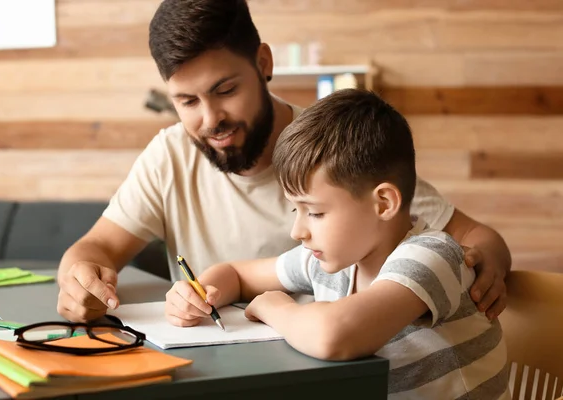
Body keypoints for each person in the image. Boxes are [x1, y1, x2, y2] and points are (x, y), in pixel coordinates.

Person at [56, 0, 510, 324]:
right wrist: (80, 282)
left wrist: (484, 262)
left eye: (226, 90)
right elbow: (94, 250)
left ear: (263, 62)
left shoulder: (331, 148)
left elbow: (477, 238)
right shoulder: (169, 154)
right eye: (187, 101)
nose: (211, 119)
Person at [164, 89, 511, 399]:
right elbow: (236, 274)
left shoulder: (431, 257)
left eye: (314, 212)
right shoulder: (329, 260)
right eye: (295, 210)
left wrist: (274, 307)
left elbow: (334, 335)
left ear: (383, 204)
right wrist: (201, 291)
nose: (297, 231)